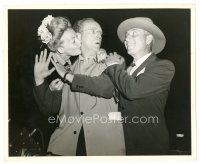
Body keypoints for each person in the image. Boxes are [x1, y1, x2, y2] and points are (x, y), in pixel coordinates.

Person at [61, 17, 175, 155]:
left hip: (148, 145)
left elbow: (133, 90)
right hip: (123, 145)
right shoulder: (126, 70)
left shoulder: (163, 66)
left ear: (148, 39)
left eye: (134, 34)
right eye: (126, 36)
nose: (127, 39)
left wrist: (112, 65)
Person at [34, 17, 125, 156]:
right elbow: (49, 108)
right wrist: (39, 79)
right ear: (77, 36)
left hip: (104, 147)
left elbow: (106, 88)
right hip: (66, 147)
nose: (98, 35)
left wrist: (67, 76)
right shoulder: (67, 69)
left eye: (100, 33)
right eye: (93, 31)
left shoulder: (113, 61)